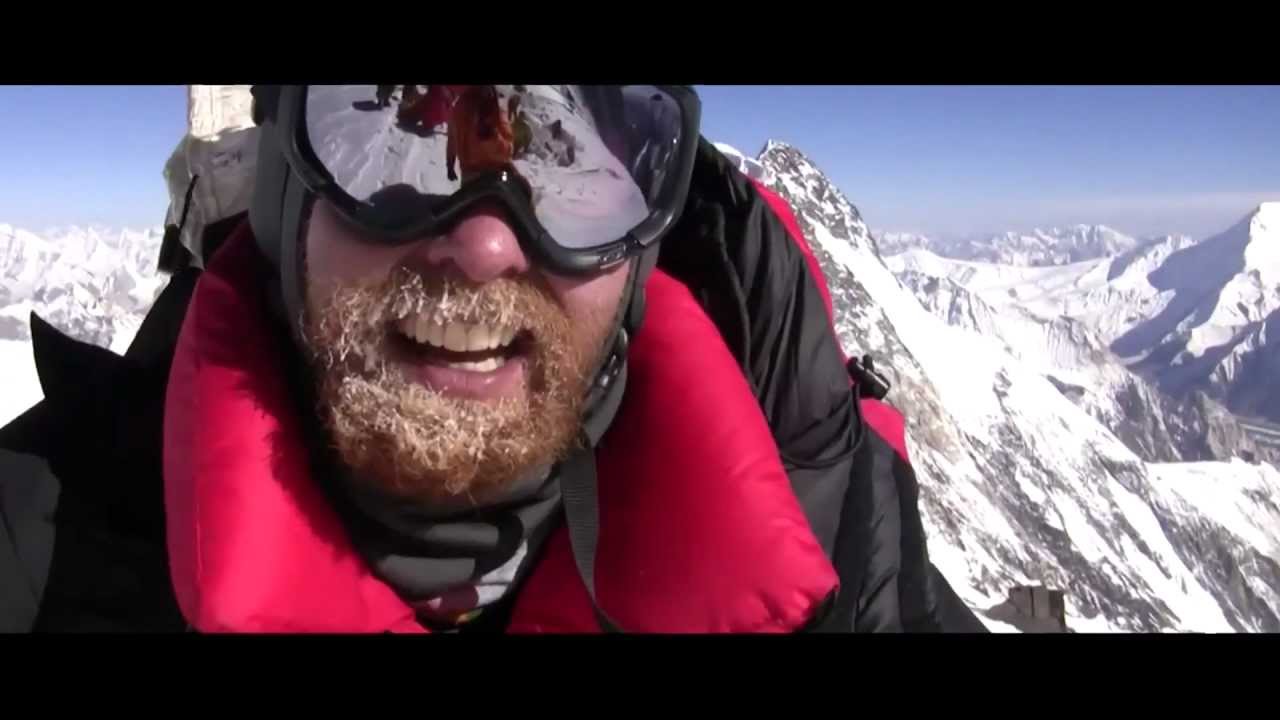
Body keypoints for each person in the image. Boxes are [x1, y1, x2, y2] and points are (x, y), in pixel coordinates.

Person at [0, 84, 988, 633]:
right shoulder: (33, 555)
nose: (484, 244)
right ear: (281, 193)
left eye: (566, 152)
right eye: (388, 127)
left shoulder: (847, 541)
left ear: (644, 244)